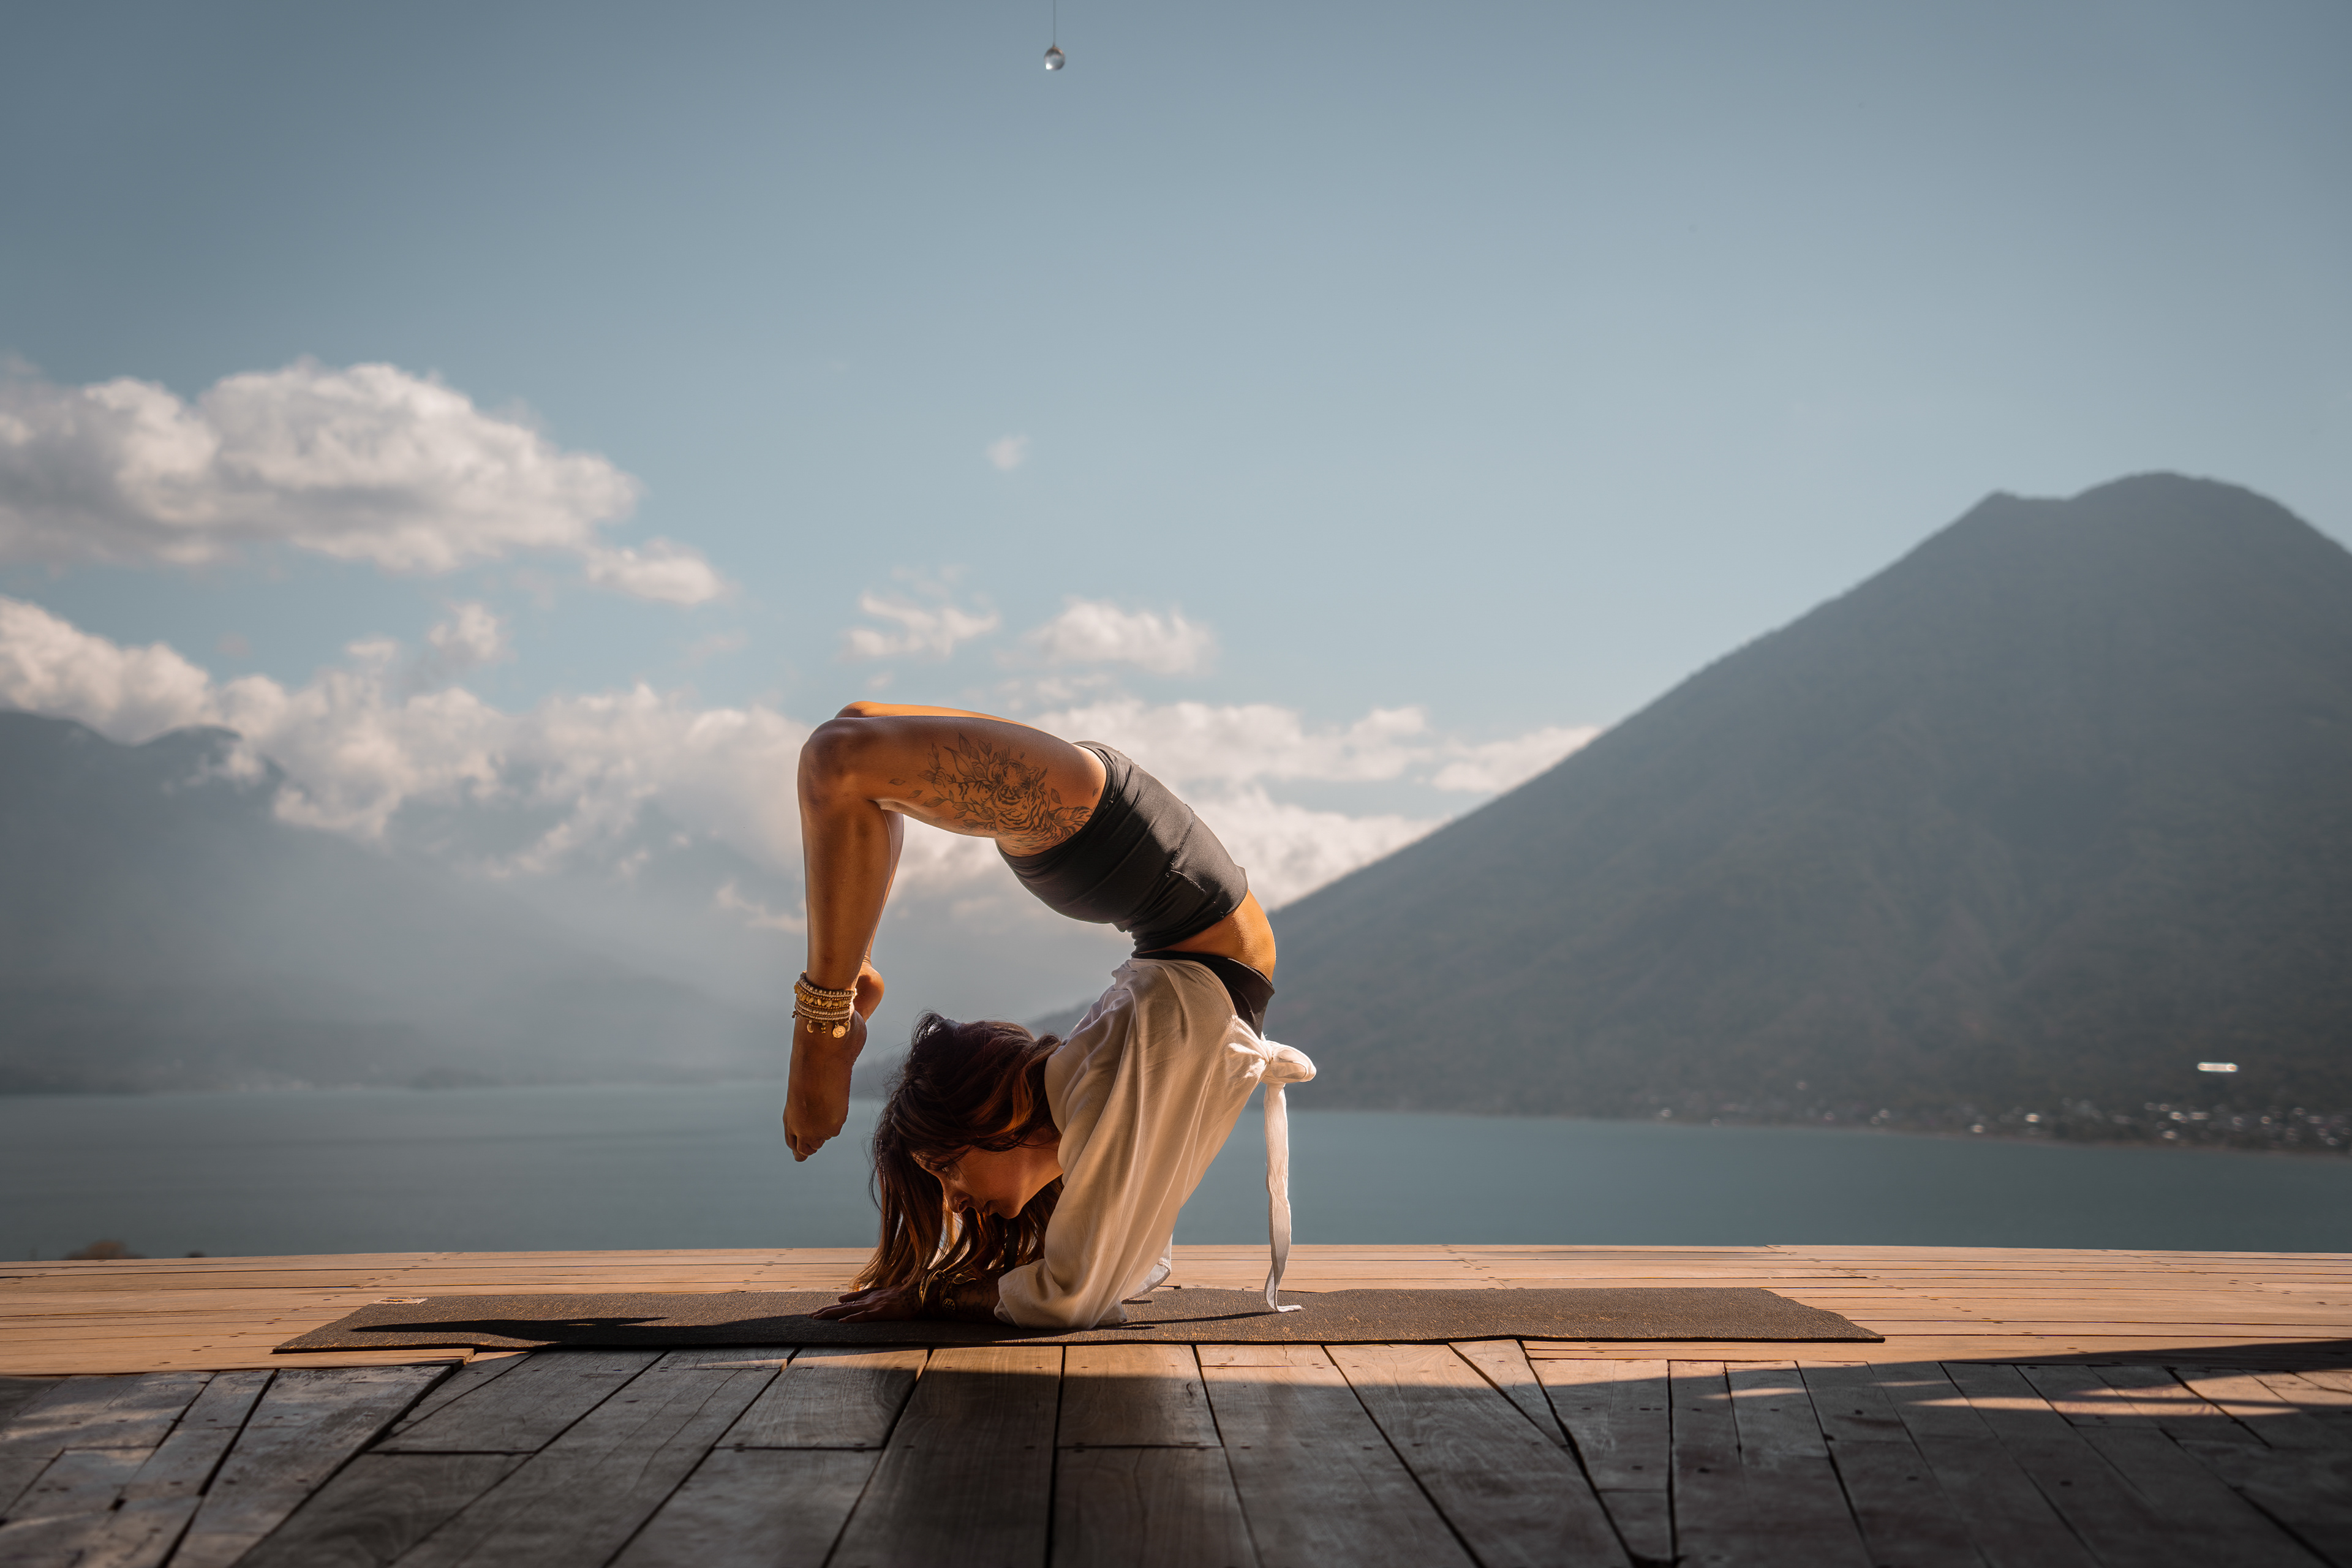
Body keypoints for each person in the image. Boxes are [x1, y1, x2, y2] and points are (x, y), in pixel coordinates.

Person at [783, 703, 1313, 1329]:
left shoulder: (1089, 1099)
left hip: (1136, 867)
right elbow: (1112, 1277)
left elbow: (1071, 1295)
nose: (954, 1200)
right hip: (1138, 872)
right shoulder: (1097, 1112)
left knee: (842, 754)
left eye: (945, 1166)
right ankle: (840, 992)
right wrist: (963, 1285)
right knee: (849, 748)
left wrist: (933, 1296)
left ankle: (827, 1017)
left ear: (992, 1112)